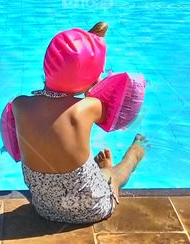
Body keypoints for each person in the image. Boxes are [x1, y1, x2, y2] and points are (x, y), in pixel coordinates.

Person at [11, 23, 146, 224]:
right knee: (115, 174)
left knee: (89, 176)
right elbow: (113, 110)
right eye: (98, 73)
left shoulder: (20, 105)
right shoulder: (87, 108)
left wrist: (87, 46)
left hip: (44, 208)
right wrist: (92, 85)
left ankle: (99, 173)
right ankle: (135, 153)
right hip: (91, 208)